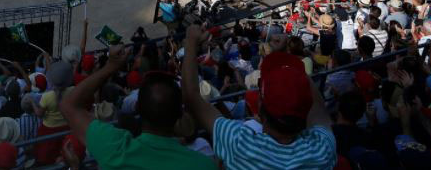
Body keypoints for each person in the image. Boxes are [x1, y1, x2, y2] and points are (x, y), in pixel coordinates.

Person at [180, 25, 336, 169]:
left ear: (260, 106)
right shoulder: (322, 150)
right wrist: (288, 56)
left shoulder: (240, 144)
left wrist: (191, 42)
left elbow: (191, 97)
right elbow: (318, 109)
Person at [61, 44, 214, 170]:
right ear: (179, 114)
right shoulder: (204, 164)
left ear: (138, 109)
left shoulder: (116, 149)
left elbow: (69, 105)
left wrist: (111, 66)